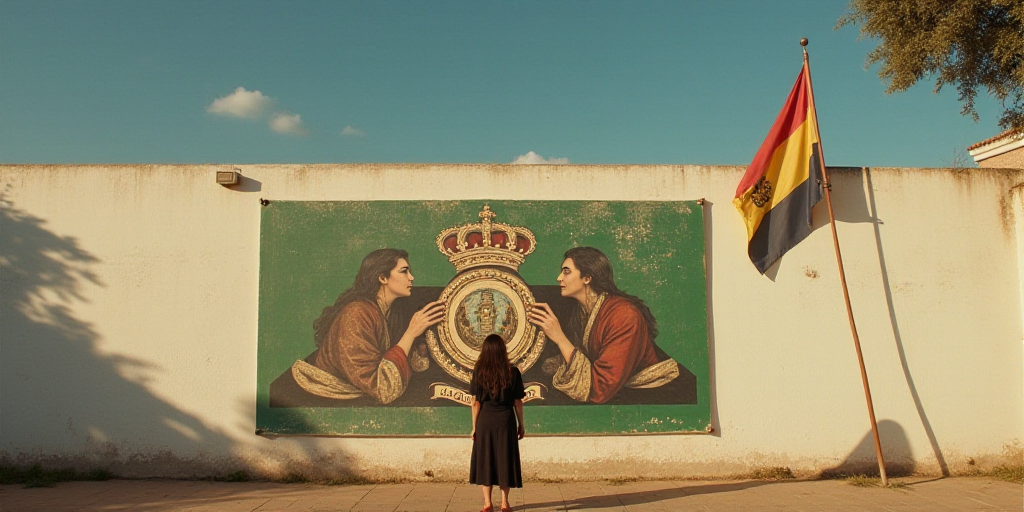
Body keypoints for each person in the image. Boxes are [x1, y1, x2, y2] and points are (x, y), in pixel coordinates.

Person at [288, 248, 445, 404]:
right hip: (327, 394)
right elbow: (382, 389)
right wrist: (411, 333)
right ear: (383, 277)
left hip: (358, 392)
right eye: (404, 271)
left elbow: (388, 359)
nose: (411, 277)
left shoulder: (390, 311)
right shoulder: (356, 314)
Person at [528, 246, 681, 404]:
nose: (559, 278)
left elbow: (600, 389)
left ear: (587, 278)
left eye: (566, 272)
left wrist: (559, 337)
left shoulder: (624, 315)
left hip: (651, 395)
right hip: (620, 392)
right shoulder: (582, 313)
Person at [469, 334, 525, 512]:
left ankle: (487, 503)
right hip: (506, 421)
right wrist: (521, 424)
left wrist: (474, 427)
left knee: (486, 459)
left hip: (485, 421)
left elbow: (475, 402)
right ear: (503, 350)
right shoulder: (512, 372)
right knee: (504, 459)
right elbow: (518, 401)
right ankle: (504, 503)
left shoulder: (479, 372)